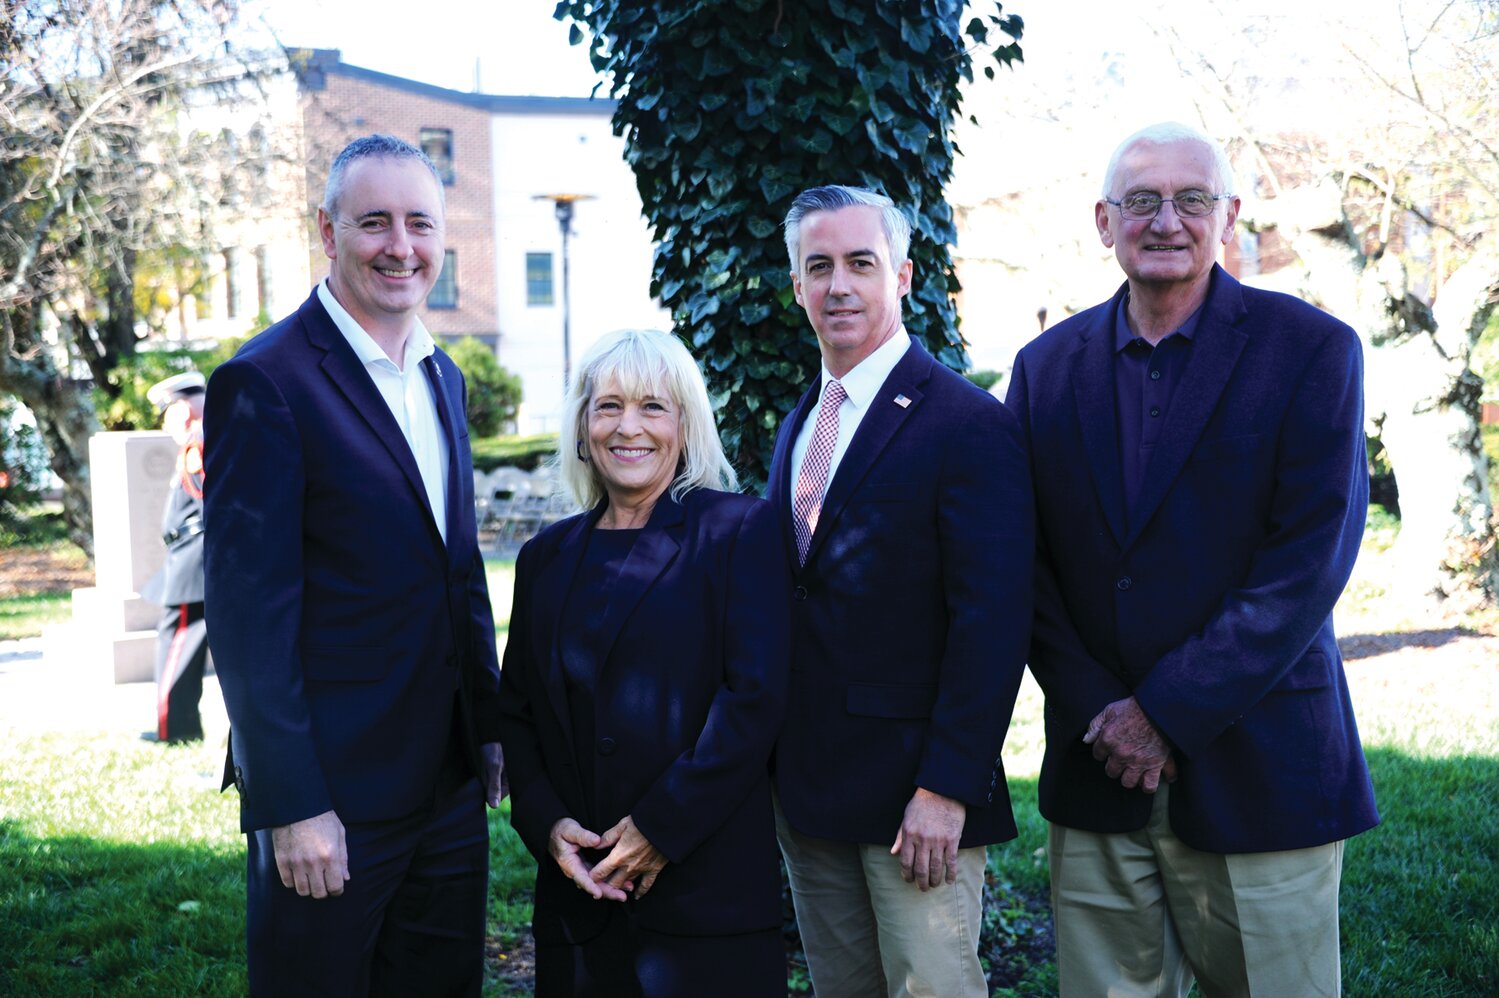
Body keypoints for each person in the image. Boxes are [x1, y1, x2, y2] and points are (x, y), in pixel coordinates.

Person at [1004, 122, 1379, 996]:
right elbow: (1022, 568)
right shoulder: (1043, 371)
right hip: (1096, 768)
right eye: (1140, 201)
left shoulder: (1311, 351)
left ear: (1229, 216)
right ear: (1104, 222)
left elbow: (1308, 561)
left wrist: (1164, 713)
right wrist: (1105, 711)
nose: (1164, 220)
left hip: (1262, 764)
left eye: (1190, 200)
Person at [203, 134, 506, 997]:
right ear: (327, 232)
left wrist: (485, 724)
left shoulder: (440, 377)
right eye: (374, 222)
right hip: (331, 799)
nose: (400, 246)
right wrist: (291, 805)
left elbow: (458, 572)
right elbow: (247, 618)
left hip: (445, 788)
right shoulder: (266, 382)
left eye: (419, 223)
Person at [767, 185, 1034, 998]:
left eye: (860, 263)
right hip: (810, 795)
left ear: (904, 276)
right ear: (796, 287)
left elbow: (992, 622)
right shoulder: (800, 421)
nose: (838, 285)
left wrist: (948, 786)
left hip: (917, 805)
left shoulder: (966, 423)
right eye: (818, 267)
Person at [495, 327, 790, 997]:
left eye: (653, 406)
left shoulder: (738, 531)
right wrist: (545, 825)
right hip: (577, 902)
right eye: (608, 406)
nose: (629, 427)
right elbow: (516, 713)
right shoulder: (544, 557)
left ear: (685, 425)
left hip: (703, 902)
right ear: (581, 425)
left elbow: (754, 701)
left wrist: (660, 827)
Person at [140, 371, 210, 744]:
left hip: (193, 561)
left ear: (182, 411)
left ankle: (174, 728)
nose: (167, 425)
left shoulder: (198, 444)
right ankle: (181, 725)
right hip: (193, 557)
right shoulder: (208, 438)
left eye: (167, 414)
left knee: (176, 641)